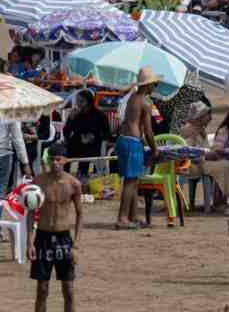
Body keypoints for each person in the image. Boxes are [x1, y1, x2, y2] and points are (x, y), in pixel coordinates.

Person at [28, 142, 83, 312]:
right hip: (43, 237)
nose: (55, 163)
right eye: (52, 160)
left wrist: (76, 245)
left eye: (58, 159)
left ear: (65, 160)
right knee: (42, 289)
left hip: (63, 238)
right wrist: (29, 242)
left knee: (68, 289)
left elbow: (80, 214)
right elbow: (31, 213)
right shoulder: (39, 181)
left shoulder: (73, 184)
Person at [116, 67, 159, 229]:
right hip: (132, 142)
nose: (154, 88)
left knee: (133, 180)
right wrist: (154, 149)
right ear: (148, 85)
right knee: (130, 181)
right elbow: (148, 130)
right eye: (153, 85)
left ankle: (132, 216)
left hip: (123, 140)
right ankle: (122, 218)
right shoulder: (145, 102)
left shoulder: (133, 97)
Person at [62, 89, 111, 178]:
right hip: (76, 142)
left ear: (88, 102)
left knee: (86, 153)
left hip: (93, 144)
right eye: (77, 101)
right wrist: (71, 119)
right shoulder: (75, 114)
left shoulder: (99, 115)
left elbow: (106, 133)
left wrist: (93, 137)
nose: (78, 104)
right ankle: (65, 176)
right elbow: (66, 131)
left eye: (81, 101)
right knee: (66, 152)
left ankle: (82, 175)